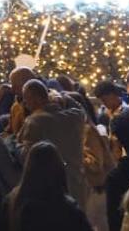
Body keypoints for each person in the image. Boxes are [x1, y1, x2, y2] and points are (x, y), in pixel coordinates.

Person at [18, 80, 89, 208]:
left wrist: (15, 145)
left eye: (26, 99)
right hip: (77, 183)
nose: (25, 104)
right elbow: (80, 108)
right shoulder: (75, 116)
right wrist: (61, 96)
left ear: (35, 99)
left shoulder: (35, 121)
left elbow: (25, 156)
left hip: (51, 189)